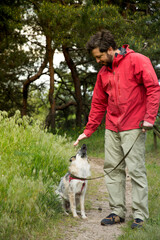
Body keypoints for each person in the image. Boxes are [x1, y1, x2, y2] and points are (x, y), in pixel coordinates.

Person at [74, 30, 160, 229]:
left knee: (136, 170)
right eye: (95, 57)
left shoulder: (138, 60)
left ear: (110, 49)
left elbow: (153, 88)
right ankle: (117, 211)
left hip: (135, 125)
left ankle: (140, 215)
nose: (97, 61)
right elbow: (98, 103)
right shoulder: (103, 73)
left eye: (99, 56)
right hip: (112, 127)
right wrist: (88, 130)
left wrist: (149, 117)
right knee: (112, 169)